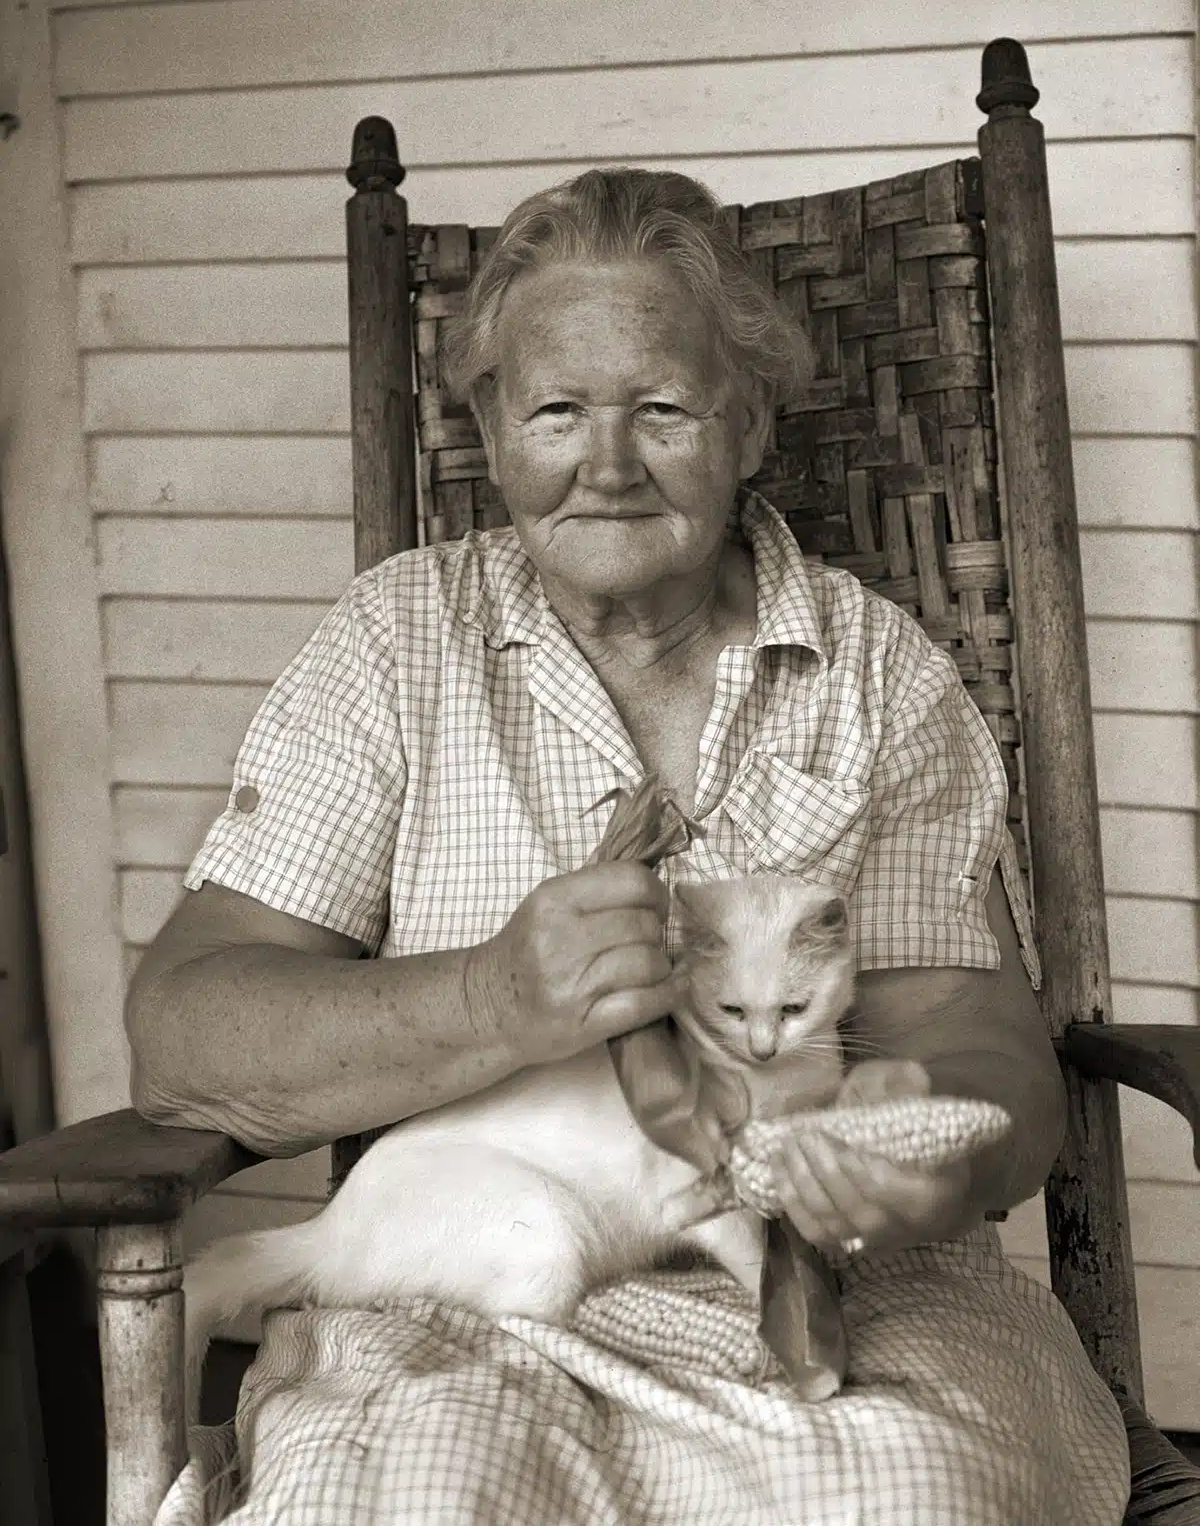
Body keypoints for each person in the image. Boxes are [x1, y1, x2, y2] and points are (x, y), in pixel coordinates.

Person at [128, 170, 1129, 1525]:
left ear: (752, 420)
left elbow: (983, 1032)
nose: (606, 466)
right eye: (555, 411)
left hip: (844, 1296)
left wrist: (909, 1152)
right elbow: (188, 1041)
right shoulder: (394, 647)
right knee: (421, 1495)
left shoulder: (875, 674)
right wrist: (492, 999)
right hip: (466, 1296)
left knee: (906, 1491)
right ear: (488, 426)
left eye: (661, 408)